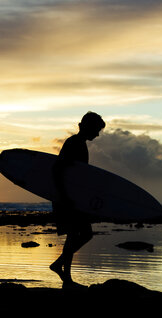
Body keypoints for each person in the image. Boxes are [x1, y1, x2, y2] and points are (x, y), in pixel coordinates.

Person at [50, 111, 105, 288]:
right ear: (89, 127)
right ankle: (64, 276)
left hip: (71, 197)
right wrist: (65, 197)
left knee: (78, 235)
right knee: (79, 234)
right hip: (66, 197)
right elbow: (58, 171)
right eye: (96, 130)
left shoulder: (79, 143)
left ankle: (62, 271)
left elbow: (78, 177)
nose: (97, 134)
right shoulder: (74, 143)